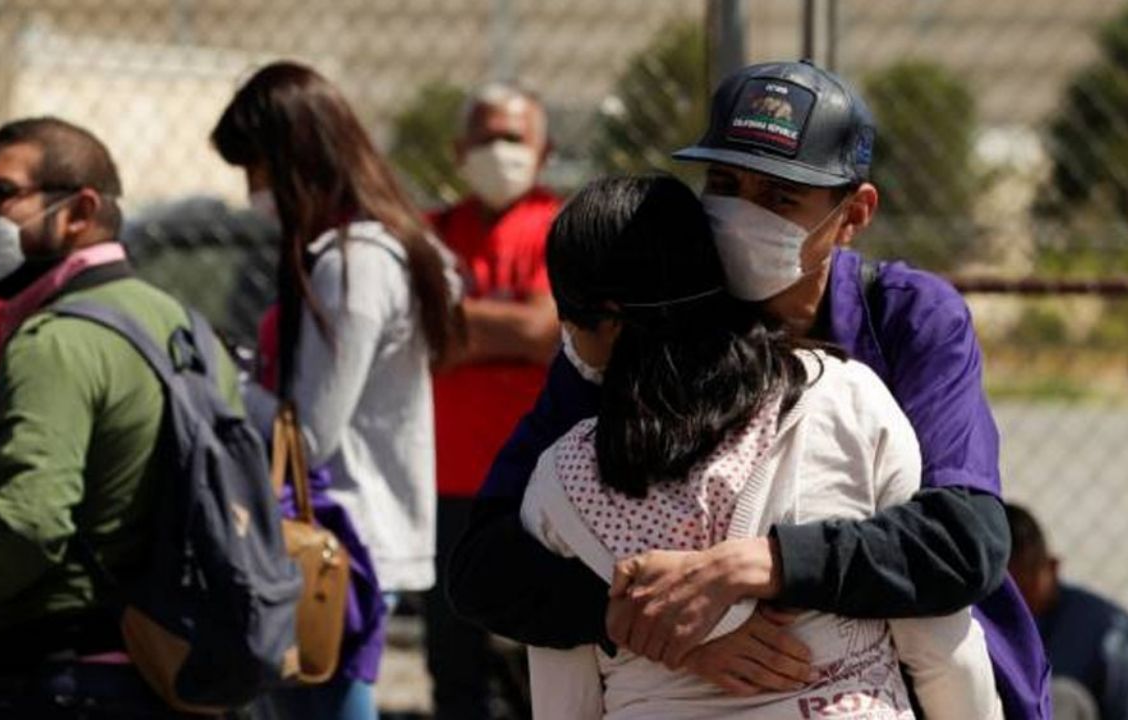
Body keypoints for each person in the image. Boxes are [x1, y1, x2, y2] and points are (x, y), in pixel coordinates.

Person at [448, 59, 1051, 719]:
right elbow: (487, 561)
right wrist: (655, 622)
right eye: (724, 183)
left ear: (854, 214)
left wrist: (759, 566)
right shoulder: (642, 329)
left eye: (780, 197)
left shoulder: (907, 321)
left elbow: (964, 541)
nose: (741, 215)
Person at [519, 173, 1001, 719]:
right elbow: (943, 648)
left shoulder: (561, 482)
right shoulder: (843, 399)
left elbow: (565, 702)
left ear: (605, 322)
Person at [0, 117, 242, 717]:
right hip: (172, 666)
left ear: (79, 211)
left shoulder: (56, 342)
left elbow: (28, 524)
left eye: (1, 194)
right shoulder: (185, 327)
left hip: (65, 681)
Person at [211, 61, 459, 719]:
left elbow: (311, 433)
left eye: (256, 170)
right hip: (342, 534)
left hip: (341, 540)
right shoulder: (361, 252)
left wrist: (227, 386)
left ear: (295, 160)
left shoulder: (354, 266)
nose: (252, 192)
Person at [424, 82, 561, 720]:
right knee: (453, 663)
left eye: (515, 138)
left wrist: (462, 326)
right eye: (486, 138)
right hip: (447, 479)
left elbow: (546, 335)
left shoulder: (559, 228)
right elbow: (423, 338)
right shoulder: (430, 235)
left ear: (544, 149)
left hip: (538, 477)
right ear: (458, 150)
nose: (499, 151)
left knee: (542, 659)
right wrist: (514, 323)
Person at [1008, 503, 1128, 720]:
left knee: (1064, 698)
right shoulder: (970, 625)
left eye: (1025, 588)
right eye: (1005, 593)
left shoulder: (1106, 632)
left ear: (1052, 568)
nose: (1016, 603)